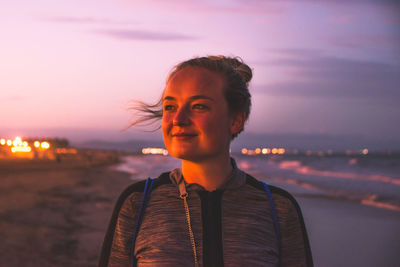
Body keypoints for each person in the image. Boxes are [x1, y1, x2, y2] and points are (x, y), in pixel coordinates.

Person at [99, 56, 313, 267]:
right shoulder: (138, 203)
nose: (178, 119)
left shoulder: (278, 208)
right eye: (170, 107)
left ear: (236, 120)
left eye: (199, 106)